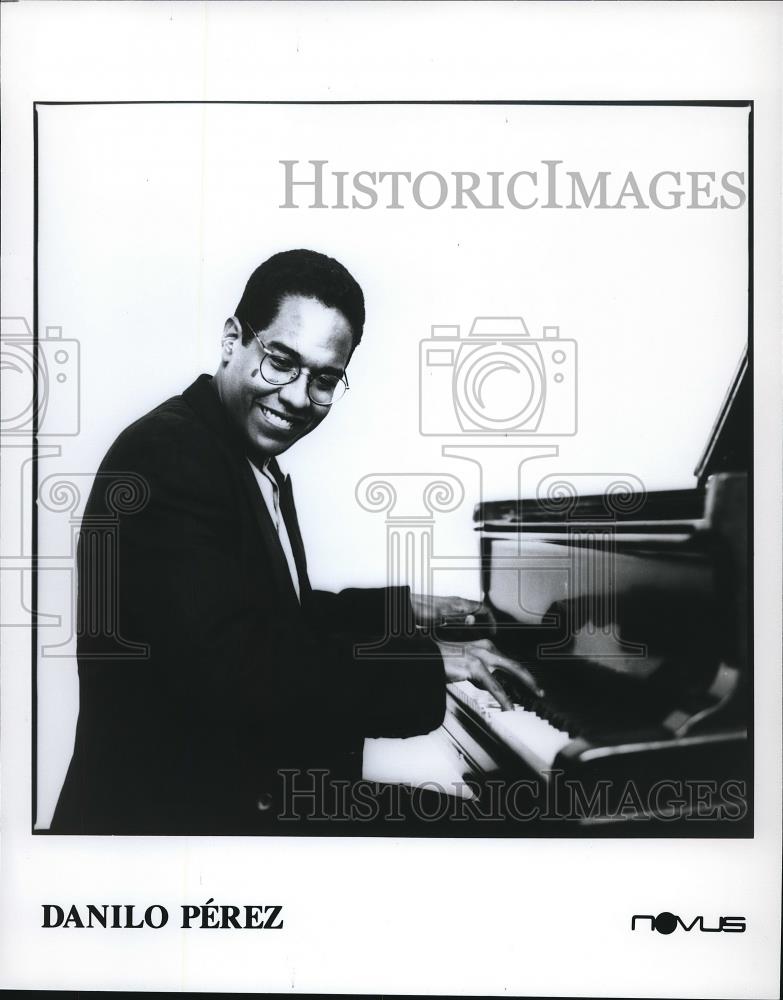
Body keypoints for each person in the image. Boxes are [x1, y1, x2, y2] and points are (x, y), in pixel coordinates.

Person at [51, 249, 527, 834]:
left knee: (492, 818)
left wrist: (403, 610)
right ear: (233, 340)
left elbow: (275, 616)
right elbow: (237, 667)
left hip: (238, 794)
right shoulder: (170, 455)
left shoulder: (242, 455)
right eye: (281, 362)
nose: (299, 397)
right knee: (497, 827)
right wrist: (426, 664)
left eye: (324, 379)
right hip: (174, 824)